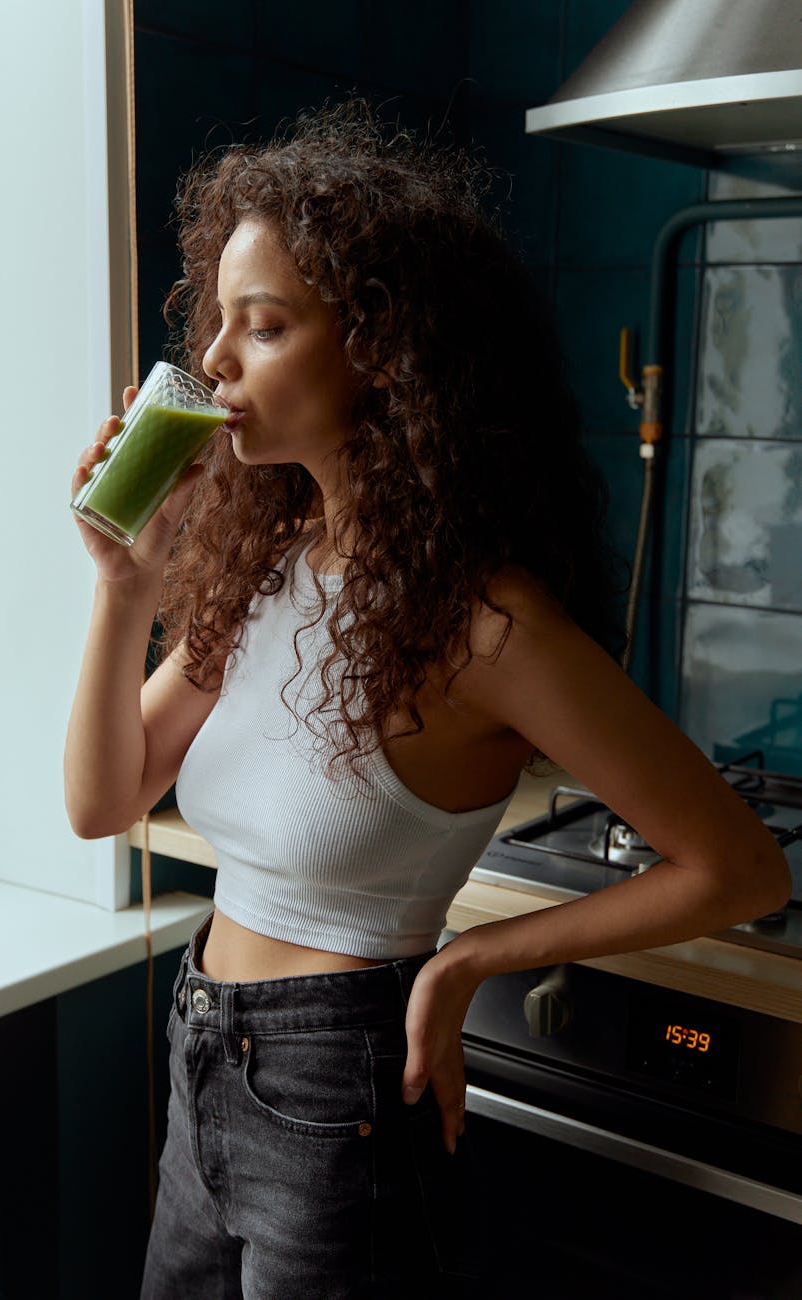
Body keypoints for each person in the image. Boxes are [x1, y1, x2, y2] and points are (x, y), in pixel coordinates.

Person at [64, 98, 791, 1299]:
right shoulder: (267, 563)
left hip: (339, 1088)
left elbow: (740, 867)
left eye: (268, 326)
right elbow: (102, 802)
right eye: (219, 326)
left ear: (379, 347)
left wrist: (463, 963)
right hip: (201, 1049)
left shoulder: (481, 622)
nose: (221, 364)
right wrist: (123, 585)